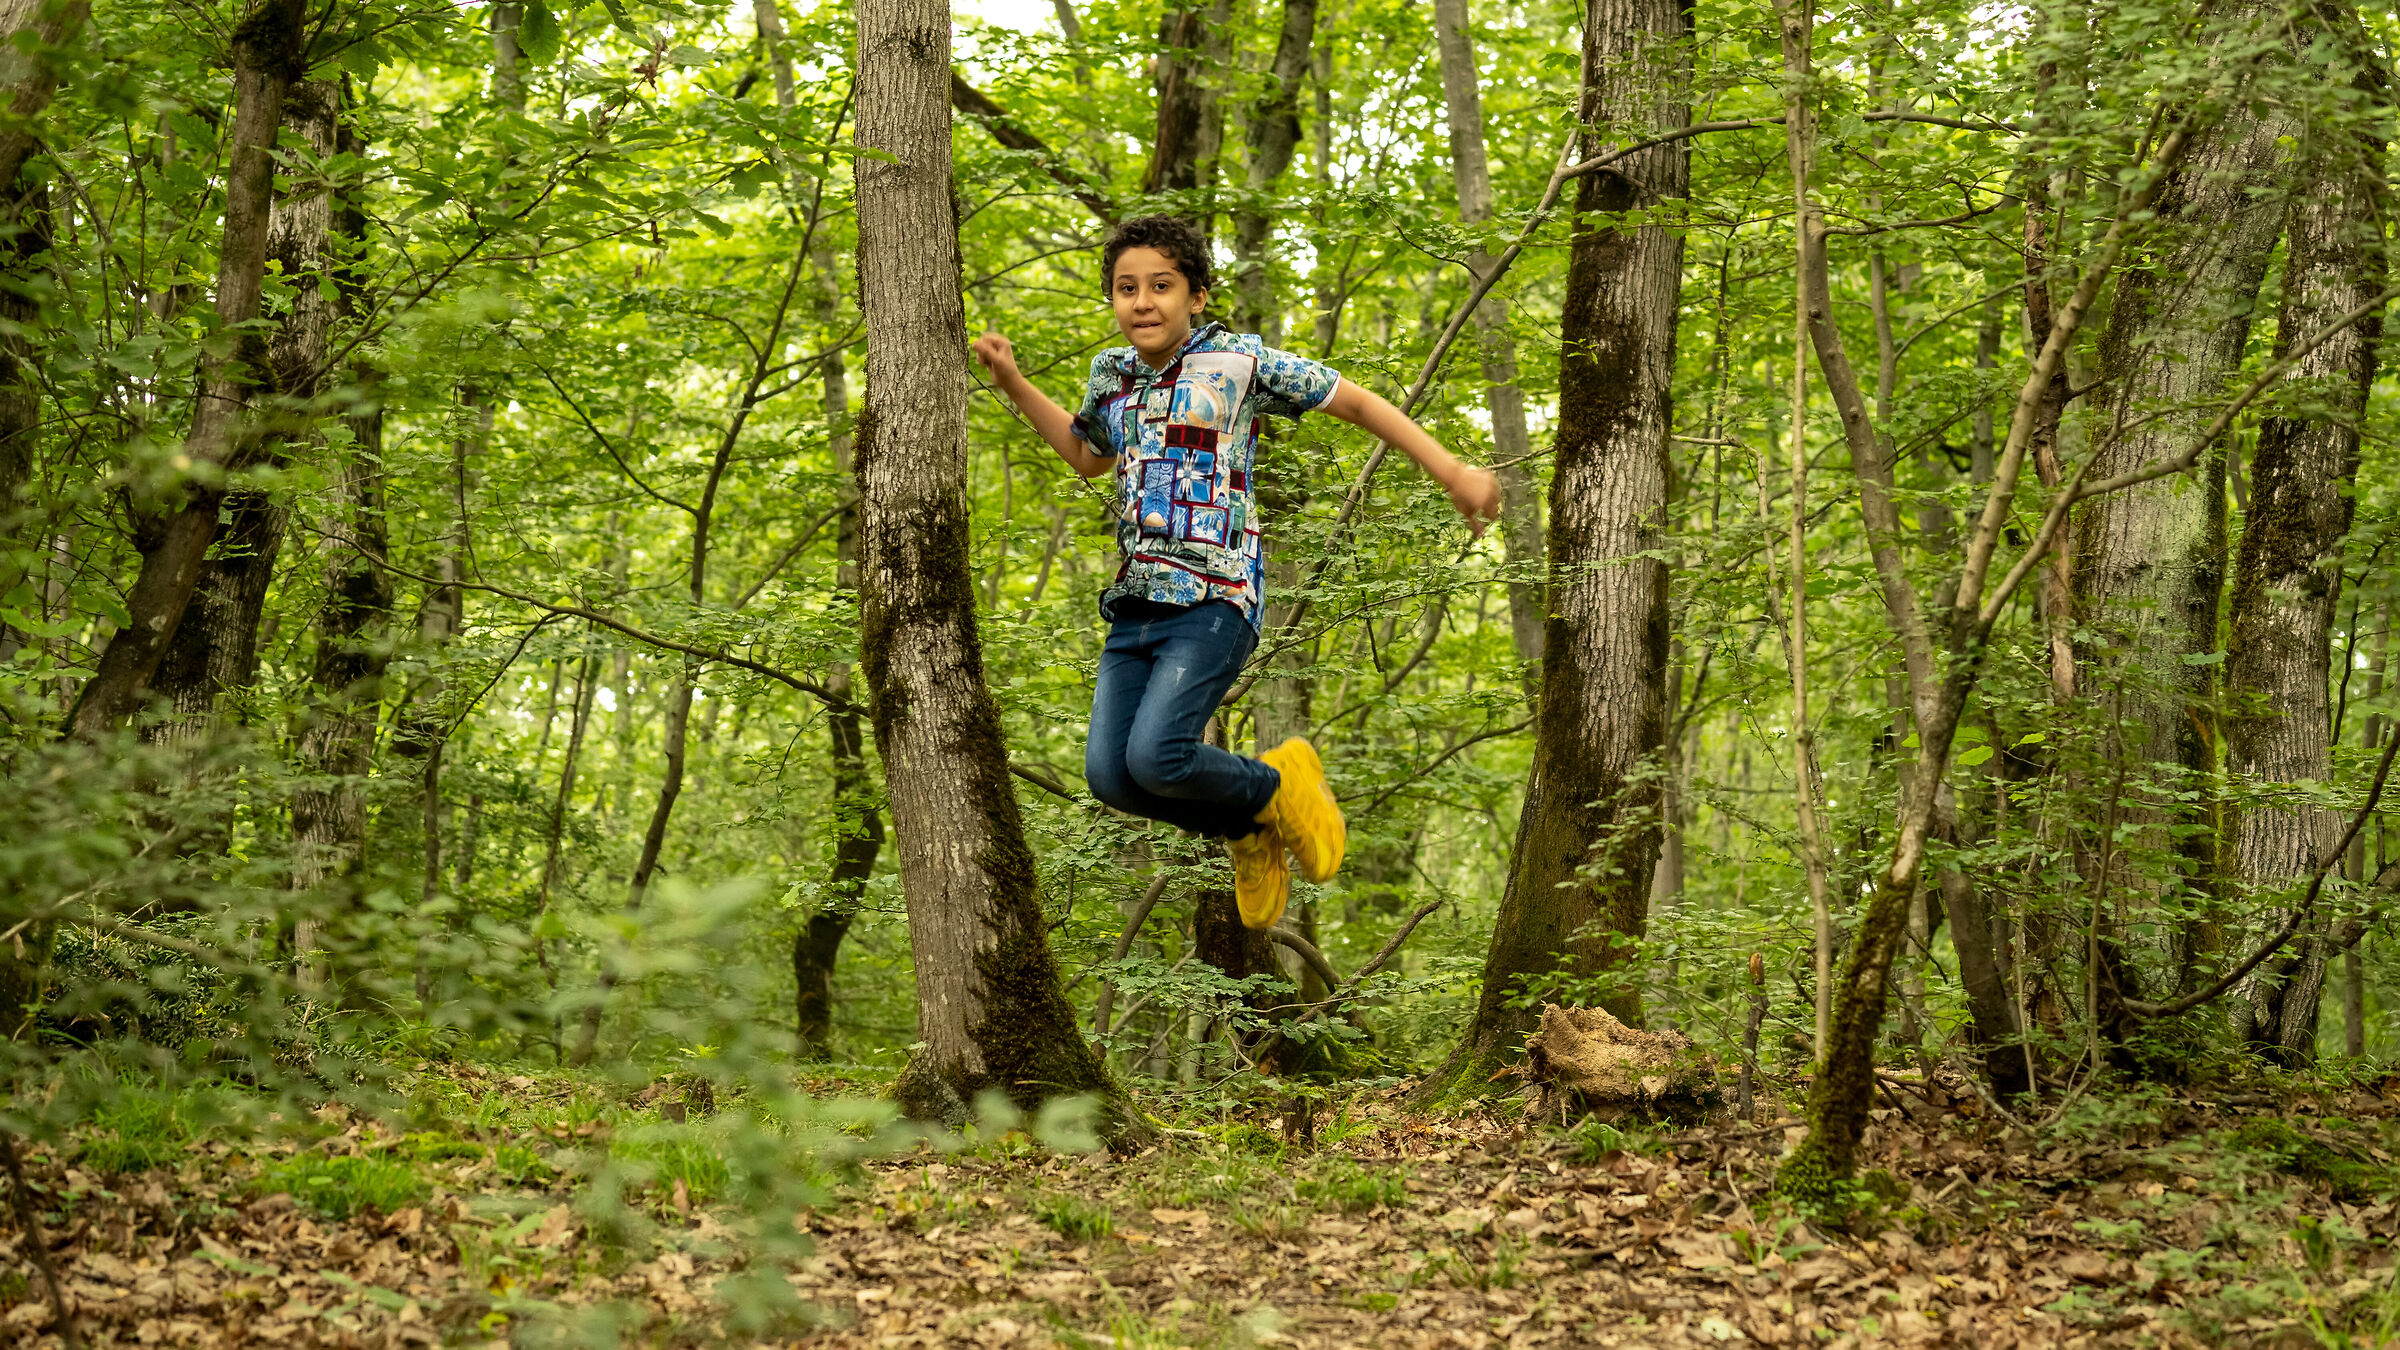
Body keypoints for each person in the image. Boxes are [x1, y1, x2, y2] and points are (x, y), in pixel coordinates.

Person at [972, 214, 1501, 931]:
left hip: (1214, 595)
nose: (1143, 302)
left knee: (1158, 757)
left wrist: (1452, 470)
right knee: (1111, 778)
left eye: (1162, 285)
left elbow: (1354, 401)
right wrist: (1010, 380)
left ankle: (1279, 783)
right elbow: (1086, 454)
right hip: (1135, 602)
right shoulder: (1113, 375)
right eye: (1127, 289)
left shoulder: (1237, 361)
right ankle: (1249, 826)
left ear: (1196, 294)